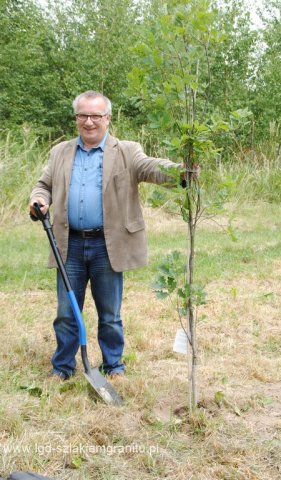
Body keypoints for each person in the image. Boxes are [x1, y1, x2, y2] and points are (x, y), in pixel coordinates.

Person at [29, 90, 182, 381]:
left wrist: (182, 172)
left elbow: (151, 167)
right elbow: (43, 184)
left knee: (109, 313)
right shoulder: (60, 152)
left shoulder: (126, 151)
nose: (89, 122)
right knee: (66, 312)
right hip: (68, 244)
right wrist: (38, 200)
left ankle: (113, 366)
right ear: (76, 118)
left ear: (108, 118)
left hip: (107, 245)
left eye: (95, 116)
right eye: (82, 115)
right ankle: (62, 367)